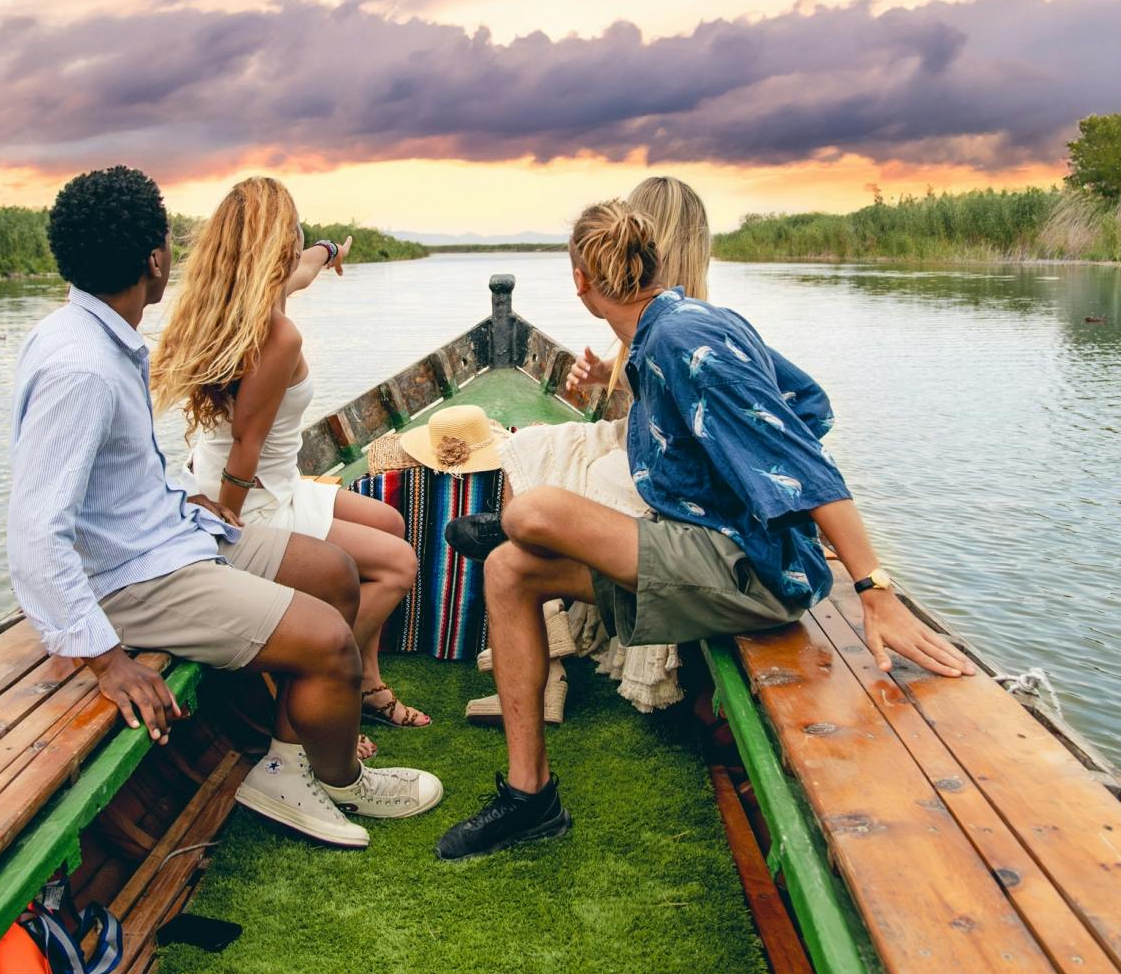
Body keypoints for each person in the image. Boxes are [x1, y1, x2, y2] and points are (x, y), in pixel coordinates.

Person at [435, 197, 973, 860]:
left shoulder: (684, 341)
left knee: (532, 513)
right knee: (507, 570)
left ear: (581, 280)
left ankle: (520, 529)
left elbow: (804, 465)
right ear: (655, 263)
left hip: (757, 570)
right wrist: (719, 480)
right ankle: (530, 798)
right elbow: (809, 401)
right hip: (708, 548)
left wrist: (874, 589)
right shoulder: (680, 325)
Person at [5, 166, 441, 849]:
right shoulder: (81, 367)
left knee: (334, 574)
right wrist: (106, 660)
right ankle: (332, 780)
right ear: (154, 260)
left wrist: (190, 505)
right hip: (135, 581)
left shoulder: (95, 334)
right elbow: (35, 531)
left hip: (174, 534)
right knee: (328, 641)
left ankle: (289, 760)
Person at [153, 175, 432, 739]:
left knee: (391, 522)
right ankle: (333, 690)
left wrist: (330, 252)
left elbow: (303, 266)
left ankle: (369, 679)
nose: (301, 240)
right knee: (397, 564)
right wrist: (225, 525)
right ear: (275, 241)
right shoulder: (275, 335)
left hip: (274, 483)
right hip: (248, 499)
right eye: (295, 228)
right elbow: (244, 449)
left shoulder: (250, 294)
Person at [476, 174, 711, 722]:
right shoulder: (654, 309)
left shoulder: (681, 318)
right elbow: (652, 387)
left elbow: (677, 411)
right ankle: (549, 657)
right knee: (528, 445)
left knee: (585, 475)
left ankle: (531, 604)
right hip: (641, 439)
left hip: (660, 461)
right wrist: (610, 372)